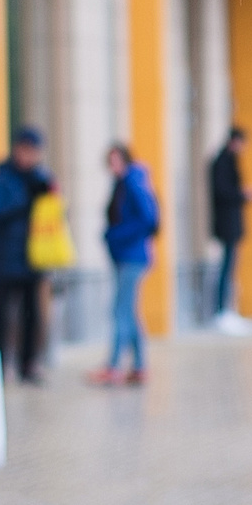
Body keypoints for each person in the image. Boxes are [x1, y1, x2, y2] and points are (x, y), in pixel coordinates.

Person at [0, 126, 55, 385]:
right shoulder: (2, 176)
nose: (29, 156)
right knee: (1, 316)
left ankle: (28, 363)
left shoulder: (42, 179)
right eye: (26, 150)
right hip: (4, 258)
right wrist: (22, 201)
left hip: (33, 257)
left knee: (31, 314)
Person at [92, 141, 159, 384]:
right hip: (124, 255)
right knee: (128, 311)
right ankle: (139, 365)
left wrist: (116, 234)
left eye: (116, 161)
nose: (112, 166)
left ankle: (114, 365)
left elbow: (149, 219)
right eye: (110, 162)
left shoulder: (133, 182)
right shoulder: (123, 183)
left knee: (120, 310)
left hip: (132, 256)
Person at [207, 125, 252, 327]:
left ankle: (226, 309)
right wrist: (243, 194)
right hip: (227, 223)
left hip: (230, 222)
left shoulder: (227, 160)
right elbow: (223, 191)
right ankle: (221, 310)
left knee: (230, 265)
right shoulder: (223, 162)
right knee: (227, 266)